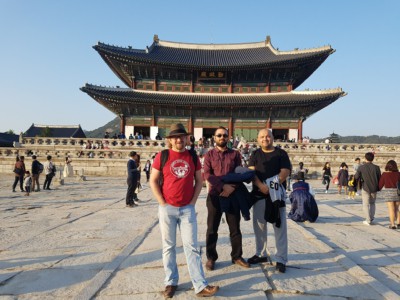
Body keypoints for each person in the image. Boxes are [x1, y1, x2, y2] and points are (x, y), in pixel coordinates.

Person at [149, 123, 218, 298]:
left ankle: (200, 285)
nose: (179, 139)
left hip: (187, 209)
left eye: (182, 136)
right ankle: (170, 282)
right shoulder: (162, 156)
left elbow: (199, 180)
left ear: (187, 138)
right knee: (168, 247)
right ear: (170, 140)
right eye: (175, 137)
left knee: (192, 247)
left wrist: (193, 202)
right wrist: (162, 202)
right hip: (168, 208)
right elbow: (153, 180)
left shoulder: (193, 157)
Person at [203, 126, 250, 271]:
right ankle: (211, 257)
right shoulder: (209, 155)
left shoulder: (235, 155)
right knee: (212, 228)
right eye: (219, 135)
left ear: (228, 137)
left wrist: (232, 188)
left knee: (235, 228)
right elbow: (207, 174)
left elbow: (239, 173)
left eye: (224, 135)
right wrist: (222, 187)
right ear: (214, 138)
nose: (222, 137)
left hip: (232, 195)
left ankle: (236, 256)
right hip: (215, 195)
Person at [247, 128, 291, 273]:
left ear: (272, 138)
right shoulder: (255, 154)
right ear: (258, 139)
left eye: (268, 136)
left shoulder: (281, 153)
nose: (265, 139)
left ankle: (281, 259)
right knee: (259, 227)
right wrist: (261, 186)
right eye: (262, 137)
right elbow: (251, 172)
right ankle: (261, 253)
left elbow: (285, 172)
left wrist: (270, 187)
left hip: (276, 196)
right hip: (259, 195)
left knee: (279, 227)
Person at [355, 152, 381, 225]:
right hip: (374, 188)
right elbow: (379, 178)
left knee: (365, 204)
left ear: (365, 158)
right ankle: (371, 218)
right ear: (373, 158)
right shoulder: (377, 167)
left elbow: (356, 177)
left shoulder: (361, 167)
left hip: (365, 187)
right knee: (372, 203)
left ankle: (368, 219)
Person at [378, 160, 400, 229]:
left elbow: (380, 185)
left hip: (388, 192)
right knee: (397, 208)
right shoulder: (399, 174)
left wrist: (377, 189)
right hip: (398, 192)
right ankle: (399, 223)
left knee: (391, 208)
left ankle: (392, 224)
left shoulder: (385, 174)